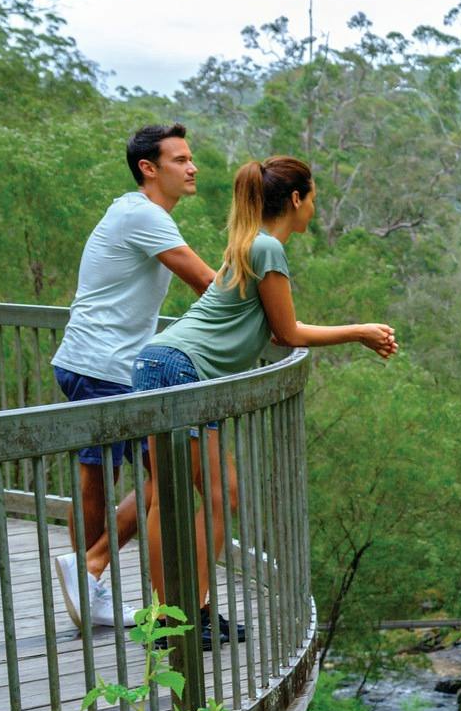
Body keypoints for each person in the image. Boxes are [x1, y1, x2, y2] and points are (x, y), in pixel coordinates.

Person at [132, 156, 397, 649]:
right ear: (296, 199)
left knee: (173, 496)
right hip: (183, 370)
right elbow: (288, 332)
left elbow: (267, 330)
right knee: (212, 496)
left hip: (159, 363)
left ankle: (174, 615)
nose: (314, 207)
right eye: (313, 197)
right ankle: (182, 620)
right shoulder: (268, 247)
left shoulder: (247, 243)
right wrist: (359, 331)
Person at [49, 123, 215, 631]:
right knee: (132, 475)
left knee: (135, 475)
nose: (191, 168)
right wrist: (266, 317)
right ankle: (91, 576)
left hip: (98, 361)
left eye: (190, 159)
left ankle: (90, 576)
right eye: (179, 160)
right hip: (103, 364)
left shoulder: (137, 212)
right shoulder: (144, 215)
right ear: (149, 168)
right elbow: (205, 281)